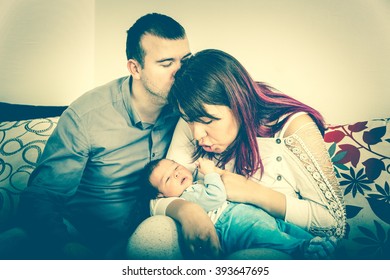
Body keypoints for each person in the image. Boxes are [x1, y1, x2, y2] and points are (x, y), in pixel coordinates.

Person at [16, 13, 218, 259]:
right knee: (15, 241)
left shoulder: (188, 109)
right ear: (135, 68)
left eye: (184, 61)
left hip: (154, 232)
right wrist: (65, 246)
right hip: (82, 235)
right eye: (166, 64)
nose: (180, 73)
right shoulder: (86, 116)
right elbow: (42, 196)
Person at [150, 49, 346, 258]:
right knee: (152, 232)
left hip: (279, 244)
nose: (197, 134)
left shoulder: (295, 127)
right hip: (216, 235)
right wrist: (190, 213)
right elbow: (158, 194)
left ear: (238, 103)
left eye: (208, 121)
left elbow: (335, 226)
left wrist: (252, 191)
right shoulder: (193, 116)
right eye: (189, 120)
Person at [144, 157, 337, 259]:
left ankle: (318, 244)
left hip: (245, 215)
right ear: (160, 195)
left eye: (176, 167)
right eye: (168, 178)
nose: (177, 174)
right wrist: (210, 173)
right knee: (265, 235)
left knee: (282, 227)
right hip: (229, 225)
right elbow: (216, 196)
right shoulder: (187, 196)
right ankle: (302, 250)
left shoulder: (194, 184)